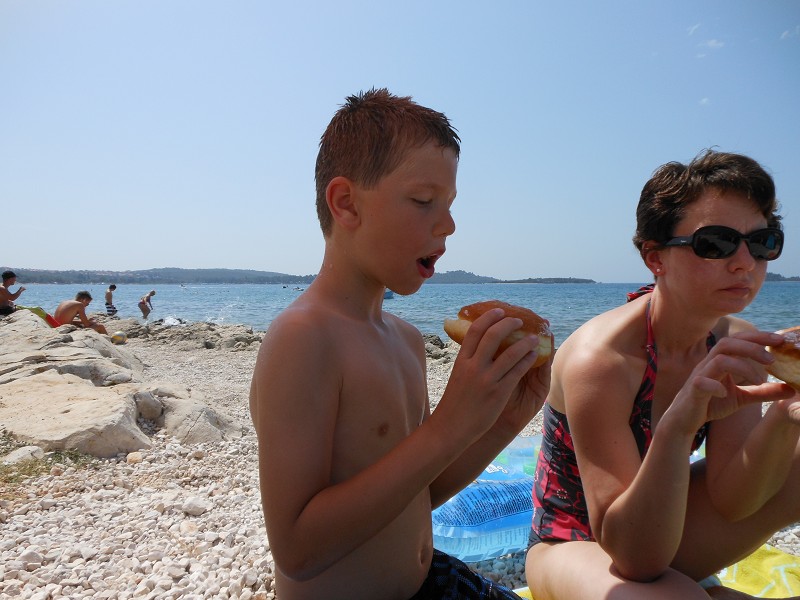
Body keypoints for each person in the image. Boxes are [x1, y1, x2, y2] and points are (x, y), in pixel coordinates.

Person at [249, 88, 552, 600]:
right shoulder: (304, 338)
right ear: (346, 203)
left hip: (427, 580)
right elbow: (297, 550)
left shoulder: (406, 341)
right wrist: (450, 423)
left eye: (450, 205)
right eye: (422, 201)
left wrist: (503, 418)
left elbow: (417, 492)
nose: (449, 225)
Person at [524, 150, 800, 600]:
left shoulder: (734, 343)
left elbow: (734, 499)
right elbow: (634, 557)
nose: (745, 263)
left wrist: (785, 416)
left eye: (763, 242)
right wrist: (679, 424)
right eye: (716, 243)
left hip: (661, 525)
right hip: (576, 541)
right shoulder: (603, 360)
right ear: (655, 257)